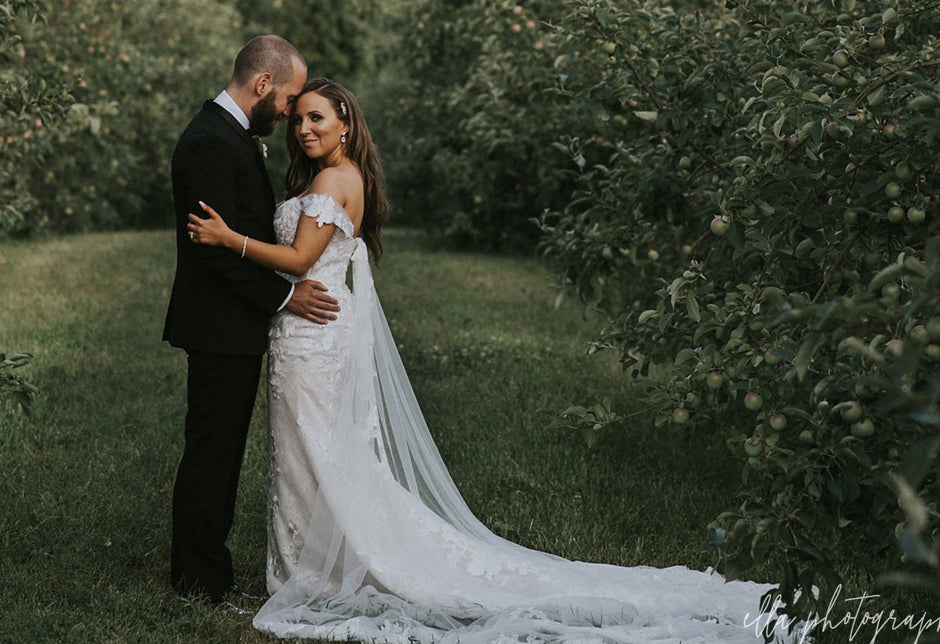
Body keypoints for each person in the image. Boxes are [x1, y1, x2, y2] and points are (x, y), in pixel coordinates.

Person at [187, 79, 788, 642]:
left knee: (316, 453)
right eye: (298, 121)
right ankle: (314, 564)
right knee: (313, 454)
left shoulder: (332, 183)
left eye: (315, 118)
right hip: (311, 332)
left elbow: (296, 261)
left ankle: (315, 574)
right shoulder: (335, 177)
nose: (302, 130)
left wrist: (228, 239)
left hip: (314, 336)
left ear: (345, 123)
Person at [162, 36, 340, 606]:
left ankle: (202, 570)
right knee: (212, 452)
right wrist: (286, 298)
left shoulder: (227, 134)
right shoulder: (213, 141)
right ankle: (198, 581)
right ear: (263, 85)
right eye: (288, 99)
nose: (289, 113)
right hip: (218, 325)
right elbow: (212, 251)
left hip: (231, 325)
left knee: (219, 449)